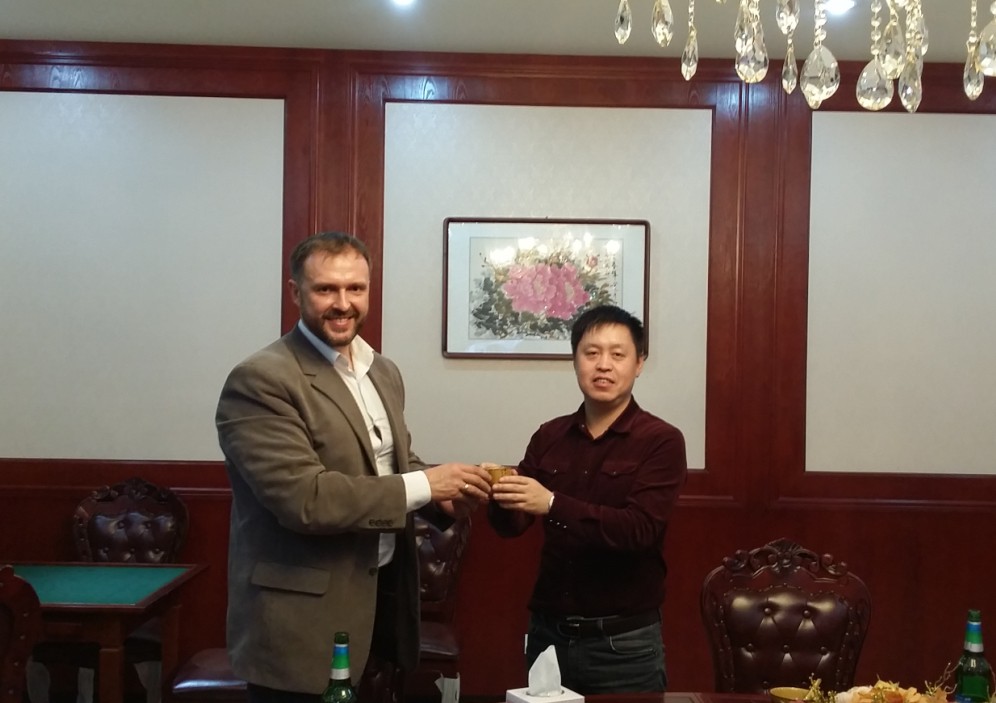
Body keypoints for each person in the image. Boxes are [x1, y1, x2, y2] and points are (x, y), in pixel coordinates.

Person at [216, 231, 492, 703]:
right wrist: (427, 484)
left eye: (356, 288)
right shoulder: (260, 379)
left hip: (379, 603)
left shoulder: (381, 370)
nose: (343, 303)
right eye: (326, 289)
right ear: (295, 292)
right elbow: (306, 499)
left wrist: (442, 500)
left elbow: (393, 464)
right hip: (300, 624)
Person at [488, 304, 687, 695]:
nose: (603, 365)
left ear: (639, 363)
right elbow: (512, 526)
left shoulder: (661, 441)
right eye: (591, 353)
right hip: (548, 636)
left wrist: (552, 503)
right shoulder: (550, 436)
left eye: (618, 354)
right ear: (575, 359)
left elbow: (640, 530)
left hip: (623, 644)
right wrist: (498, 491)